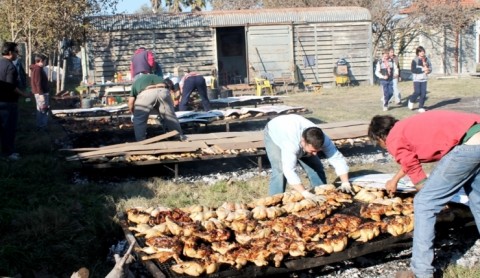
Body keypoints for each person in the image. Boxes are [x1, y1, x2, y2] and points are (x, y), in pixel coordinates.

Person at [367, 110, 480, 278]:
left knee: (423, 203)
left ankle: (421, 272)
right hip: (476, 136)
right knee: (477, 199)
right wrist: (395, 179)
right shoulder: (406, 127)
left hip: (469, 147)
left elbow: (416, 174)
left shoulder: (393, 137)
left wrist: (432, 196)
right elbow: (410, 160)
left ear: (380, 138)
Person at [263, 114, 353, 199]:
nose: (315, 154)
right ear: (303, 142)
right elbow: (289, 170)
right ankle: (274, 202)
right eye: (313, 151)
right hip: (275, 131)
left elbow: (336, 158)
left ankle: (321, 194)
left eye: (318, 151)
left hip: (296, 127)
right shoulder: (291, 145)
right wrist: (304, 193)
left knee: (316, 166)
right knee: (280, 171)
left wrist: (345, 182)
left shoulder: (324, 140)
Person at [128, 74, 183, 141]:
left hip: (147, 92)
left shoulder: (136, 82)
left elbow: (131, 102)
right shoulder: (156, 76)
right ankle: (178, 136)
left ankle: (140, 140)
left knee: (139, 119)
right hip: (163, 91)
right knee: (170, 116)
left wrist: (134, 113)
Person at [0, 42, 28, 160]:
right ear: (10, 52)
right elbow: (11, 86)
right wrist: (24, 94)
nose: (18, 54)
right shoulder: (10, 66)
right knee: (9, 128)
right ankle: (8, 153)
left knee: (2, 128)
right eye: (16, 51)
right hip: (8, 103)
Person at [408, 46, 432, 113]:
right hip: (417, 79)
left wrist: (428, 70)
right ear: (418, 53)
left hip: (424, 79)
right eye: (421, 52)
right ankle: (411, 100)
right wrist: (422, 69)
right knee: (417, 92)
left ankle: (421, 107)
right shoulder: (415, 60)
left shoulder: (427, 59)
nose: (422, 53)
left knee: (423, 94)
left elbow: (430, 67)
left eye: (423, 51)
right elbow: (413, 70)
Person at [30, 54, 50, 131]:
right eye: (45, 61)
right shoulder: (38, 69)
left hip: (40, 93)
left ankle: (40, 125)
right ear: (41, 61)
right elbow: (38, 82)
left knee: (41, 109)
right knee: (43, 109)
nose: (45, 63)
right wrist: (41, 94)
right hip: (41, 93)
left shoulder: (37, 68)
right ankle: (42, 126)